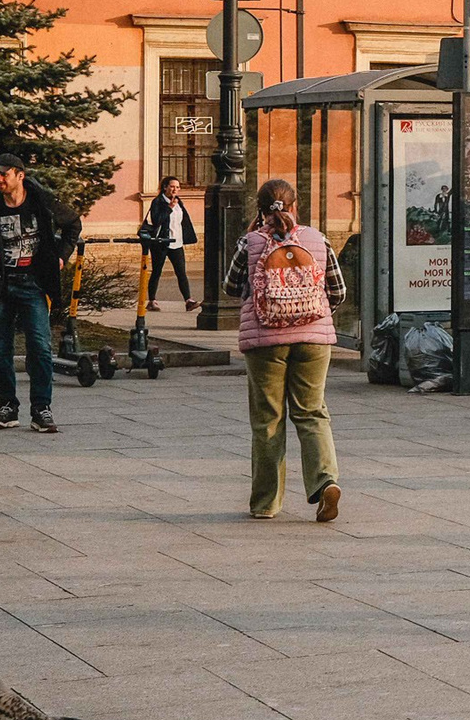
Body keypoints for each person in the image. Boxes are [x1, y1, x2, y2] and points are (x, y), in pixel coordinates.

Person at [224, 177, 347, 521]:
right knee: (312, 412)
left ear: (260, 209)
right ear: (296, 205)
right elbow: (338, 291)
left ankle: (266, 503)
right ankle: (326, 483)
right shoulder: (317, 239)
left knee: (268, 420)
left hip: (265, 341)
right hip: (313, 340)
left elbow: (232, 287)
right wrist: (311, 315)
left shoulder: (249, 241)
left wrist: (252, 244)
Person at [0, 154, 77, 434]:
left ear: (19, 175)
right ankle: (7, 407)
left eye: (3, 175)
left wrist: (61, 257)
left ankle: (41, 408)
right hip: (1, 284)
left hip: (33, 284)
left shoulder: (41, 201)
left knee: (40, 347)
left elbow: (73, 224)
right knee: (1, 348)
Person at [141, 176, 197, 311]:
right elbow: (157, 220)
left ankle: (188, 300)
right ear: (165, 187)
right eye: (172, 186)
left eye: (177, 187)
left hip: (176, 242)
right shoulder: (158, 202)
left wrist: (187, 236)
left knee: (181, 272)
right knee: (157, 271)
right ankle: (152, 301)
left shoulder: (179, 202)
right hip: (161, 242)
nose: (175, 189)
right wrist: (169, 208)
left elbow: (183, 221)